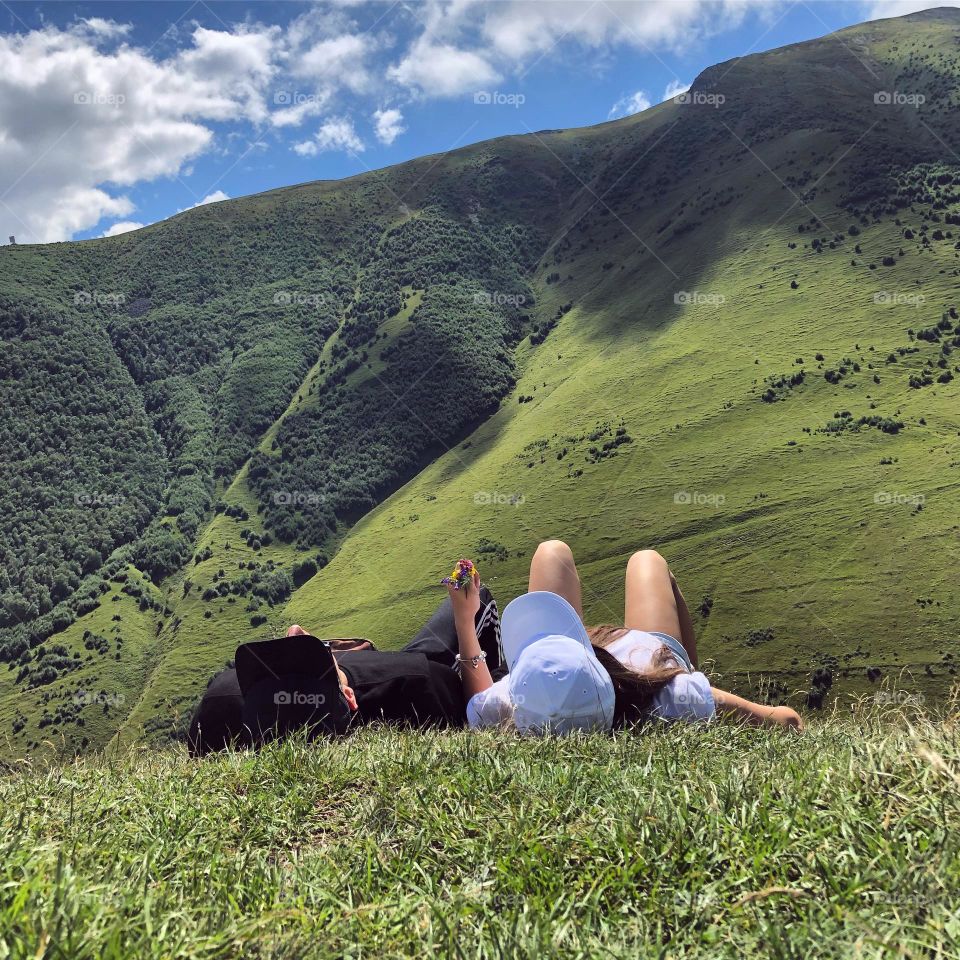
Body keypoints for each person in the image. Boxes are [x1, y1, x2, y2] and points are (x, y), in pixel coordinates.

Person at [451, 540, 804, 734]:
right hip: (649, 658)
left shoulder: (527, 701)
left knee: (550, 552)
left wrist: (466, 623)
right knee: (646, 560)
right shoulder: (673, 695)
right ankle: (689, 664)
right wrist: (696, 686)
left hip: (609, 669)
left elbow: (479, 700)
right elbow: (787, 721)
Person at [186, 586, 504, 756]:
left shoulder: (218, 705)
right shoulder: (415, 680)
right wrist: (465, 619)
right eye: (321, 662)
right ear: (350, 699)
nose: (293, 630)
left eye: (275, 663)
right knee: (478, 596)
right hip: (398, 667)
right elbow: (479, 706)